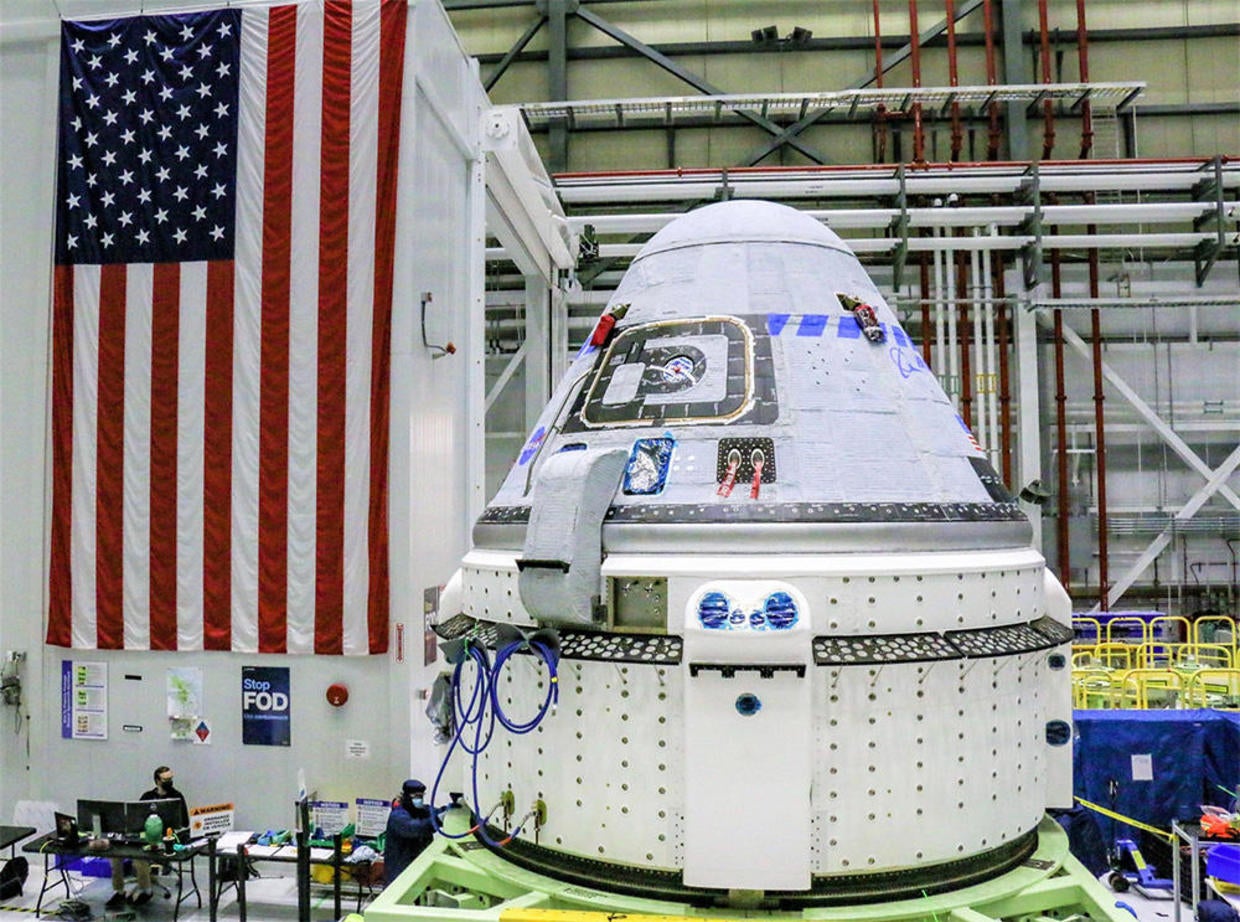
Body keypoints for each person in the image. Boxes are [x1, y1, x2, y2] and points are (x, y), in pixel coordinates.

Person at [107, 766, 190, 908]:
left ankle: (146, 890)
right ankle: (119, 891)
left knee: (139, 857)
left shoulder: (177, 797)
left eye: (171, 779)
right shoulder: (147, 797)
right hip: (143, 835)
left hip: (165, 838)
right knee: (115, 855)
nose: (169, 782)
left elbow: (185, 822)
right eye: (166, 779)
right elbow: (135, 818)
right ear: (157, 781)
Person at [382, 779, 448, 886]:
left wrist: (452, 808)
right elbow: (415, 828)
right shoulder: (398, 816)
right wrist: (437, 820)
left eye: (421, 796)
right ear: (407, 796)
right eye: (416, 796)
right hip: (400, 874)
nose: (419, 800)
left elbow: (436, 811)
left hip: (417, 871)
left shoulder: (421, 811)